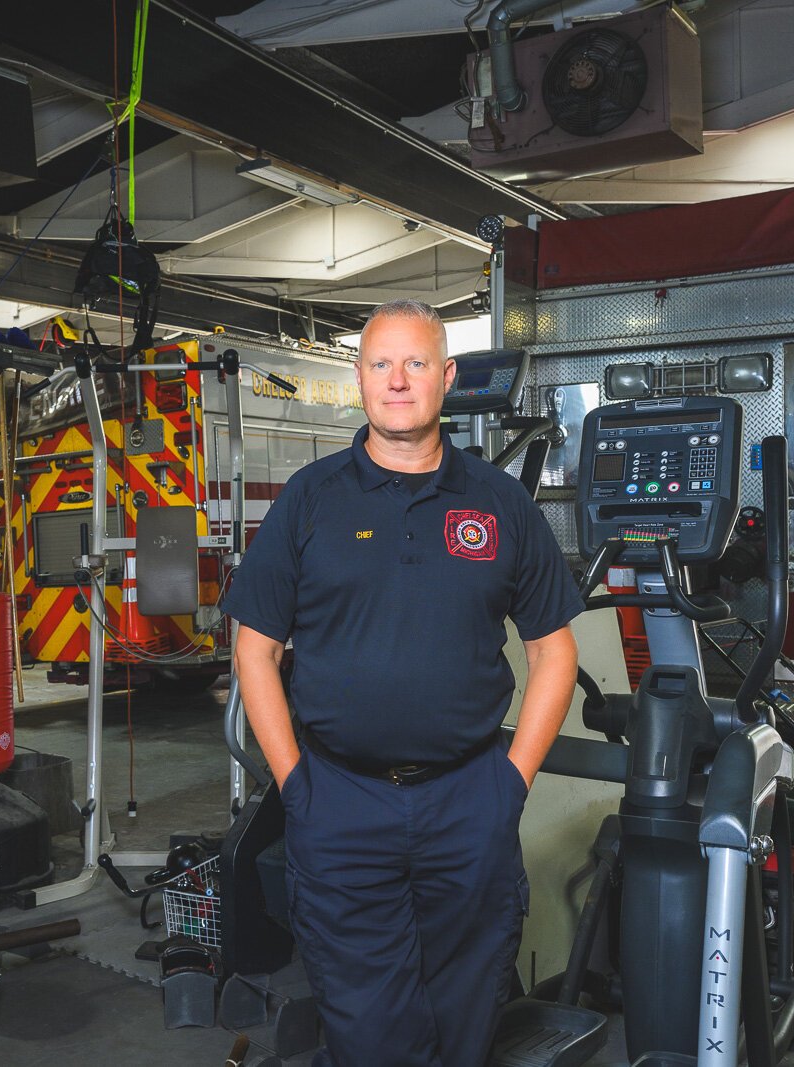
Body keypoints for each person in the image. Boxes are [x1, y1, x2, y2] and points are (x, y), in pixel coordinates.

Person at [222, 299, 583, 1067]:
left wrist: (508, 785)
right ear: (359, 378)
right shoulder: (309, 500)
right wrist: (297, 787)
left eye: (416, 363)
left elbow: (556, 653)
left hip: (467, 800)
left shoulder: (500, 503)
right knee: (367, 1019)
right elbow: (255, 652)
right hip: (341, 802)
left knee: (468, 1004)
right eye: (381, 363)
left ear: (446, 377)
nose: (397, 380)